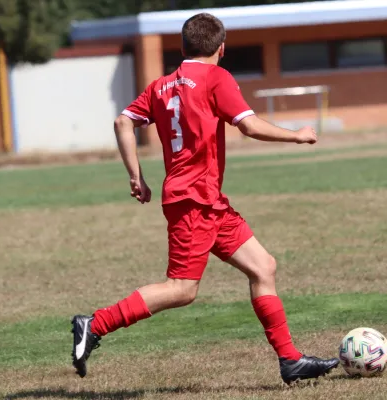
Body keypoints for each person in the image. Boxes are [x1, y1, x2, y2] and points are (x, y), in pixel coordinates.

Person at [70, 12, 339, 385]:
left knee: (263, 267)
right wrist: (297, 134)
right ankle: (94, 324)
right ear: (222, 48)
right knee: (182, 288)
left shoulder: (161, 85)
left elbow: (122, 122)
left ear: (183, 47)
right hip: (194, 201)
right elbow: (247, 124)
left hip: (207, 201)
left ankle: (290, 360)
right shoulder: (216, 77)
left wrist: (137, 177)